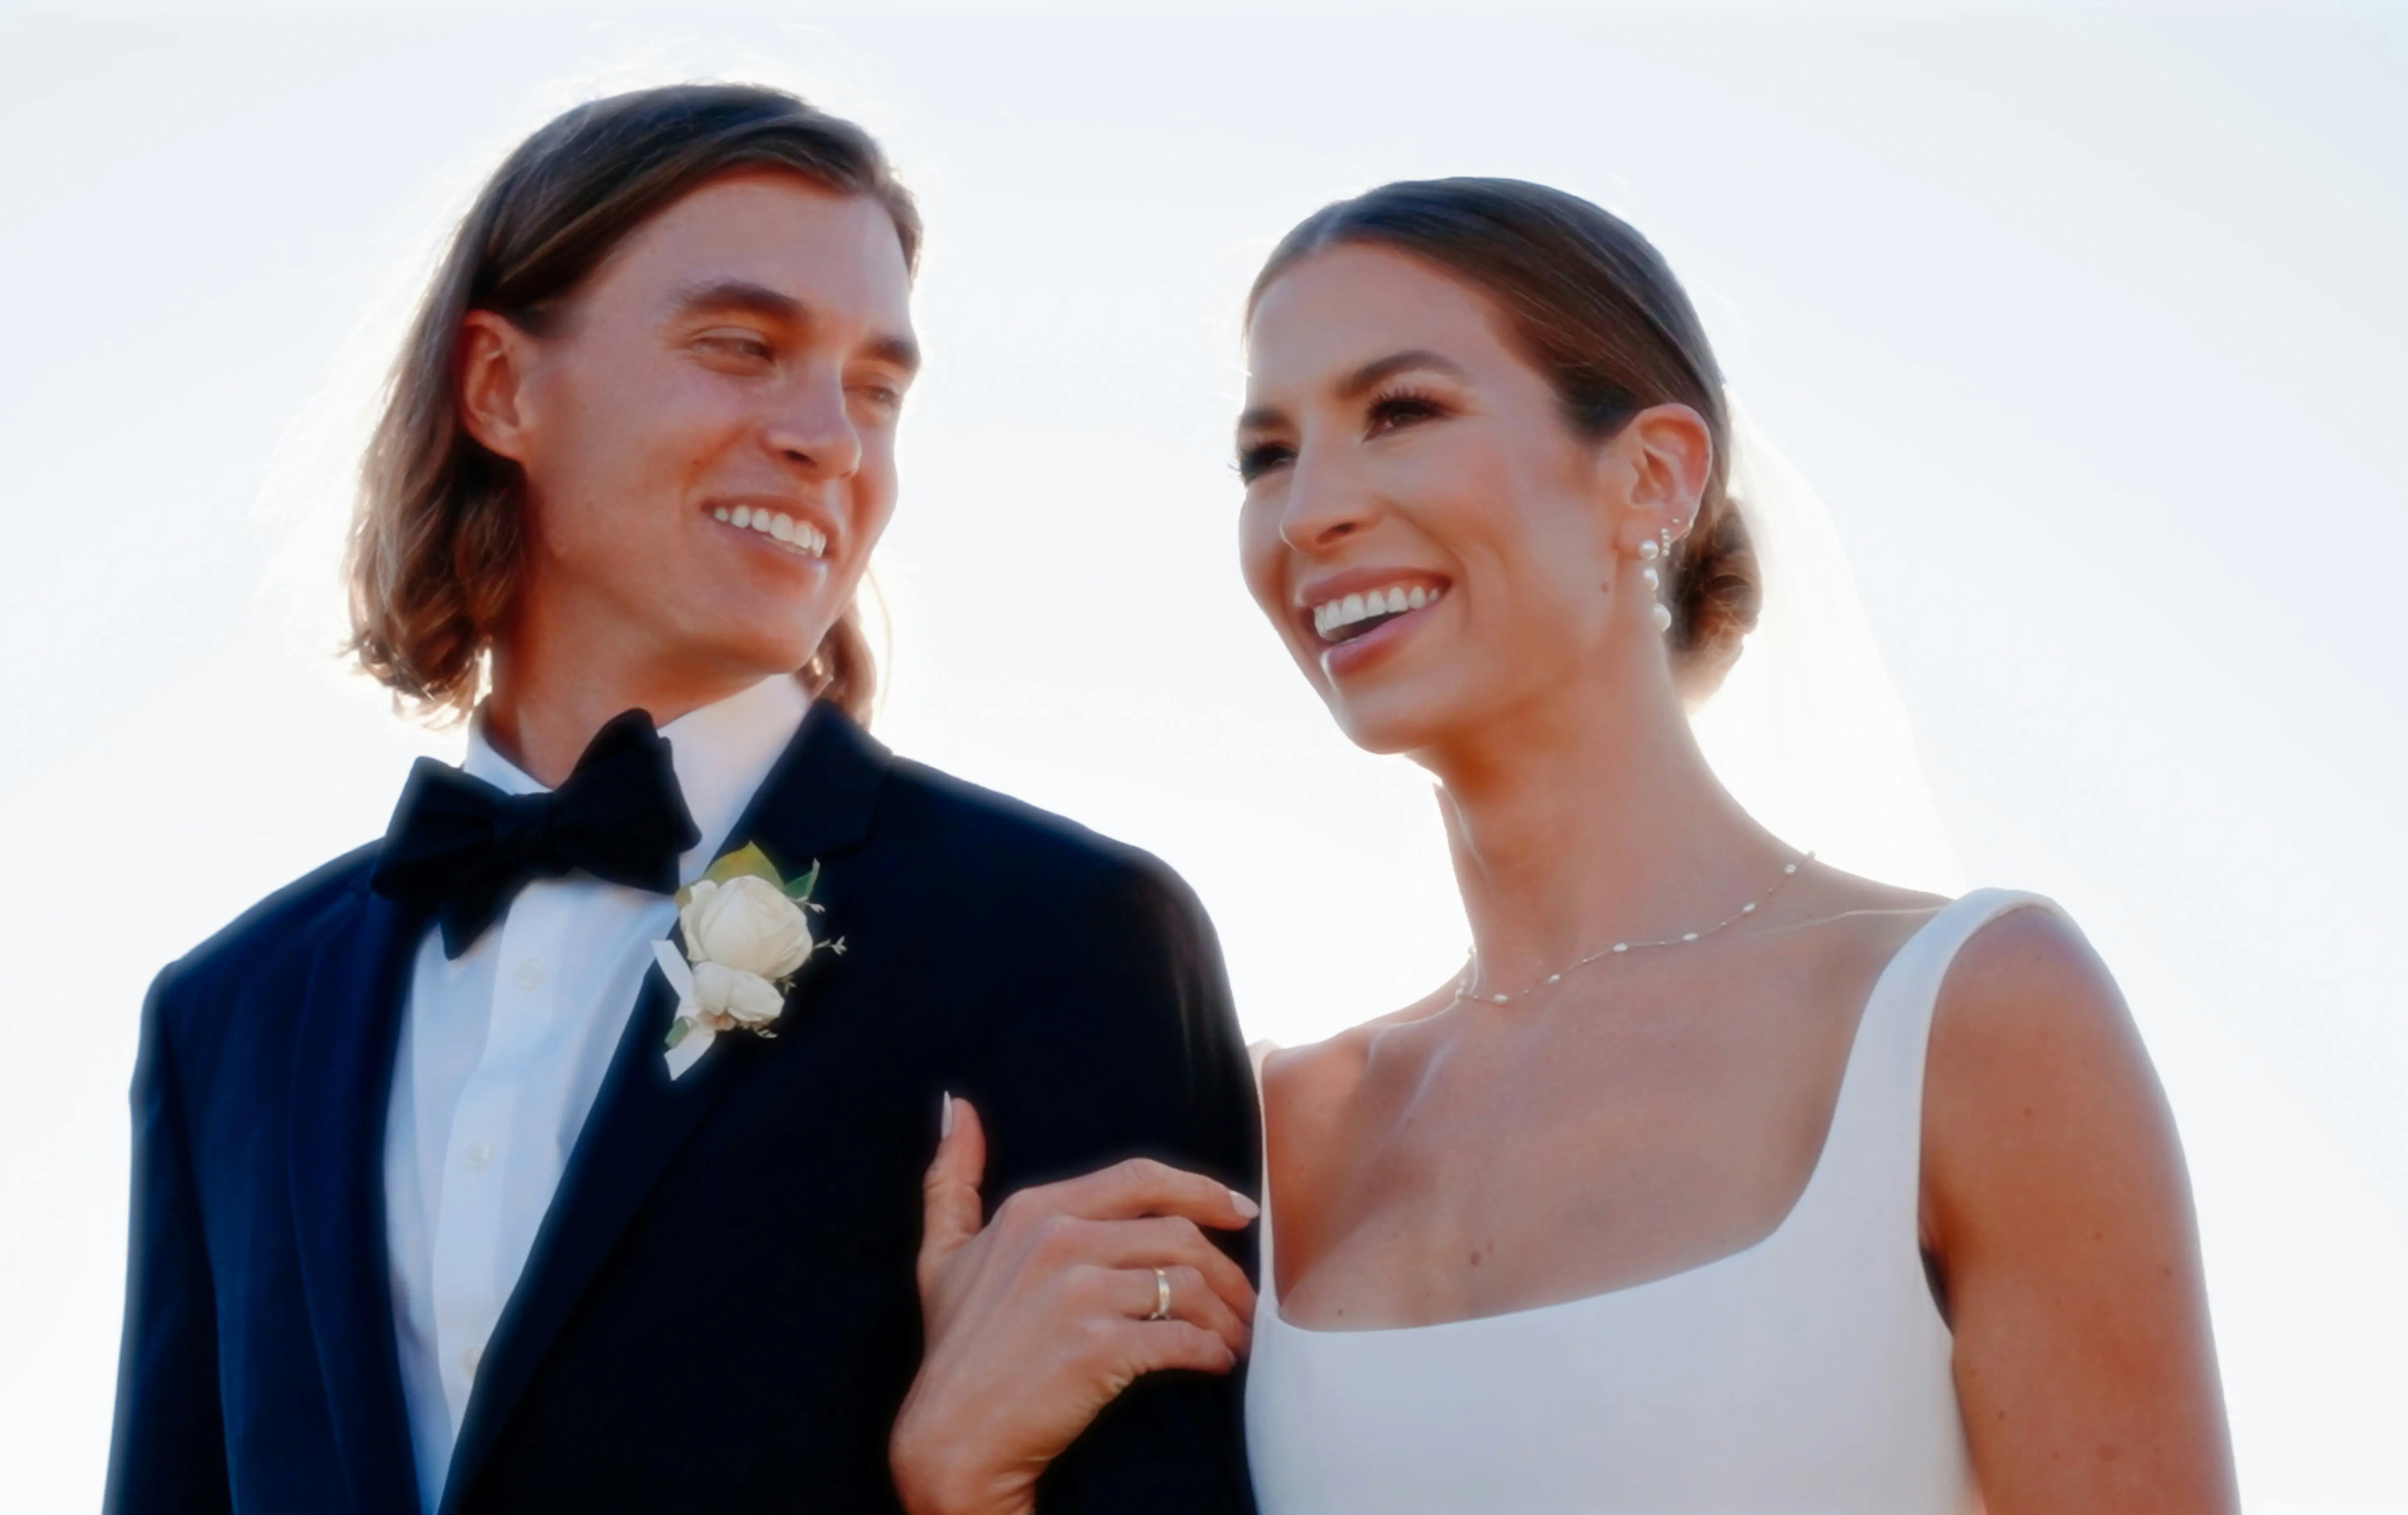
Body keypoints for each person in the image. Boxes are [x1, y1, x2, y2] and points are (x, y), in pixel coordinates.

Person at [890, 178, 2240, 1513]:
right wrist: (968, 1478)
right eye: (1266, 456)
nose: (1307, 512)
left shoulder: (1965, 1017)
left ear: (1650, 474)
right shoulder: (1264, 1139)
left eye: (1401, 412)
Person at [103, 84, 1260, 1515]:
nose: (830, 436)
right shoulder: (228, 1015)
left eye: (876, 389)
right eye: (742, 346)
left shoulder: (1062, 934)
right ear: (499, 389)